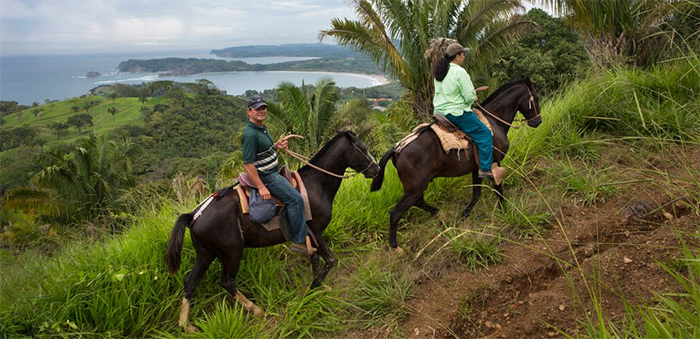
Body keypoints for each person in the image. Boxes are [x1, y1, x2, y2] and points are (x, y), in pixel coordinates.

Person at [241, 95, 310, 255]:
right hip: (268, 176)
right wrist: (261, 187)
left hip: (272, 171)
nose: (262, 111)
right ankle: (298, 242)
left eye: (263, 108)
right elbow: (248, 164)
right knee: (296, 200)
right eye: (257, 109)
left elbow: (262, 151)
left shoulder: (261, 128)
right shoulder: (250, 134)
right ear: (249, 111)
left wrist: (275, 146)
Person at [432, 43, 494, 179]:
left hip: (439, 114)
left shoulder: (440, 72)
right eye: (463, 54)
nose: (464, 56)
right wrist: (473, 97)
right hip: (457, 114)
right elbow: (468, 96)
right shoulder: (459, 72)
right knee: (484, 134)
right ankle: (485, 169)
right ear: (458, 56)